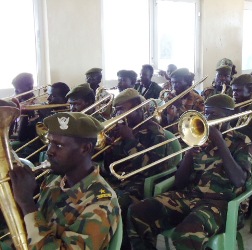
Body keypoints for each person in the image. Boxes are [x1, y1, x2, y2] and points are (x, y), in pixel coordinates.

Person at [127, 94, 252, 250]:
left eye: (214, 114)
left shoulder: (241, 142)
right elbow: (179, 182)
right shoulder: (200, 139)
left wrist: (220, 141)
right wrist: (188, 154)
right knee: (138, 211)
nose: (207, 118)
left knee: (186, 233)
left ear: (229, 116)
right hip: (190, 196)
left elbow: (239, 180)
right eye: (206, 113)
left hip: (222, 203)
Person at [9, 112, 121, 249]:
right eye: (50, 142)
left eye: (59, 145)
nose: (50, 151)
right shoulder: (54, 179)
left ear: (85, 148)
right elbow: (36, 223)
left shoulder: (101, 201)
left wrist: (26, 203)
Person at [103, 88, 169, 249]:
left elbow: (150, 169)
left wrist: (131, 140)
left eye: (122, 110)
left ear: (139, 108)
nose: (119, 115)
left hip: (141, 183)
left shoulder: (155, 132)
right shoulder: (120, 130)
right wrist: (109, 149)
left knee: (118, 204)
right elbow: (110, 167)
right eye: (117, 110)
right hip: (118, 179)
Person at [11, 82, 71, 163]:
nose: (48, 98)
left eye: (53, 96)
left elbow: (53, 141)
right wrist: (24, 116)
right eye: (49, 95)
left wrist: (46, 116)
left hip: (41, 154)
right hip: (28, 149)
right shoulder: (45, 111)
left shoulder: (67, 118)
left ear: (65, 99)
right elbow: (22, 137)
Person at [161, 68, 204, 134]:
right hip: (170, 136)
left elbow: (195, 125)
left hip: (187, 138)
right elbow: (166, 121)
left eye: (178, 83)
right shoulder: (170, 97)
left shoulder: (198, 100)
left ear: (188, 83)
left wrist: (180, 106)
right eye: (173, 83)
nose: (174, 86)